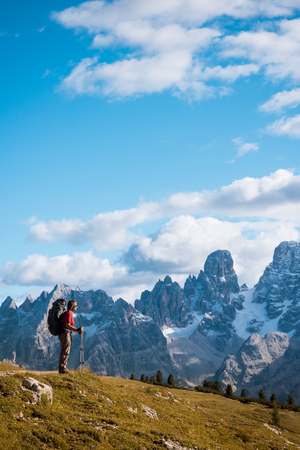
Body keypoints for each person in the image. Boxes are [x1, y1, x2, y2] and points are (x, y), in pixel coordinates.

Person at [58, 300, 84, 374]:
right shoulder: (69, 313)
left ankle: (63, 368)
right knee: (65, 352)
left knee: (64, 351)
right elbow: (67, 325)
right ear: (72, 306)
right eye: (76, 305)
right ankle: (63, 369)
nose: (76, 307)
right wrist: (77, 330)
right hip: (65, 334)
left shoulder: (68, 313)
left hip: (64, 334)